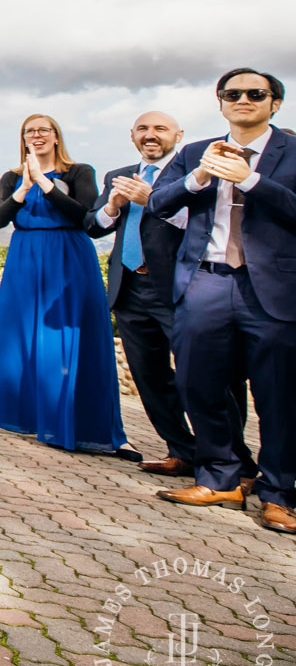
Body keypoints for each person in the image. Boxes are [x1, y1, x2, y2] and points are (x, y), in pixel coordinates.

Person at [149, 69, 296, 533]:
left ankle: (279, 494)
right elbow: (158, 204)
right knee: (199, 384)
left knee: (280, 396)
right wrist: (196, 177)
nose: (243, 100)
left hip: (270, 289)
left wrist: (251, 182)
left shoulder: (293, 152)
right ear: (220, 103)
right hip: (205, 283)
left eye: (256, 94)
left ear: (274, 103)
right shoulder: (195, 152)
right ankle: (221, 477)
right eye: (233, 94)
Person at [0, 114, 126, 454]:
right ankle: (32, 415)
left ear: (56, 137)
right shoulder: (11, 177)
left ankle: (71, 420)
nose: (36, 135)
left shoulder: (79, 172)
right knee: (24, 338)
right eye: (29, 131)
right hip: (25, 258)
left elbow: (84, 215)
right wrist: (23, 189)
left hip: (68, 255)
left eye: (43, 130)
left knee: (66, 337)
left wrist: (46, 185)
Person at [86, 111, 214, 477]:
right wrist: (111, 207)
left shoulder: (191, 175)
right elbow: (92, 226)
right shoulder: (117, 176)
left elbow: (202, 227)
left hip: (179, 288)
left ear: (179, 135)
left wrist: (154, 198)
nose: (151, 135)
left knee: (201, 376)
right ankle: (182, 451)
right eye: (143, 128)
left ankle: (228, 461)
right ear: (132, 136)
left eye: (160, 129)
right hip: (129, 288)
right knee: (150, 378)